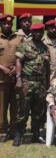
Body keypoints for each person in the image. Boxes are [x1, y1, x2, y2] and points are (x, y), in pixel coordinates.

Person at [13, 23, 50, 146]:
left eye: (40, 31)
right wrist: (18, 78)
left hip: (40, 83)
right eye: (36, 31)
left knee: (38, 111)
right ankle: (19, 134)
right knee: (22, 110)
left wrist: (48, 82)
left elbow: (47, 67)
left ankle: (36, 133)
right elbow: (18, 61)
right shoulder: (24, 46)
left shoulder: (45, 48)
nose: (38, 34)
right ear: (32, 32)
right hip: (27, 82)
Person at [0, 14, 23, 142]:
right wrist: (3, 68)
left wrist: (16, 67)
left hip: (15, 79)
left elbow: (24, 54)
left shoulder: (19, 38)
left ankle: (14, 130)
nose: (7, 25)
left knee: (15, 106)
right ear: (1, 24)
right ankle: (2, 131)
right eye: (4, 23)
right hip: (1, 79)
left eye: (9, 23)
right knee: (1, 107)